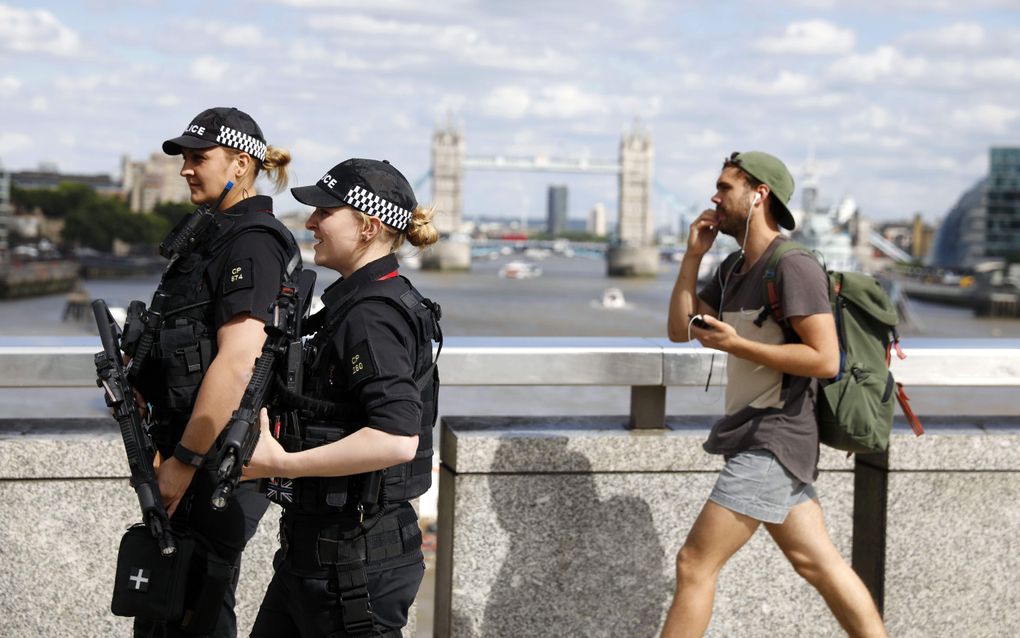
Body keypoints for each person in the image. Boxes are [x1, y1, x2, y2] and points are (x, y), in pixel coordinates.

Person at [662, 152, 888, 637]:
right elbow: (681, 328)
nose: (714, 197)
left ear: (759, 194)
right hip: (755, 434)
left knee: (693, 563)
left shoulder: (793, 266)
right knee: (818, 565)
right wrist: (691, 257)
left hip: (773, 436)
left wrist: (738, 344)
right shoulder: (733, 268)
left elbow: (825, 359)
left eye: (725, 187)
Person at [242, 158, 442, 637]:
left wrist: (281, 464)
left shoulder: (371, 315)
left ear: (368, 227)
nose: (310, 222)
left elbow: (396, 439)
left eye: (324, 212)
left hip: (354, 567)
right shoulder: (361, 302)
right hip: (317, 556)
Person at [131, 106, 300, 637]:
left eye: (198, 158)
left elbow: (240, 358)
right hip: (191, 451)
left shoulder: (251, 241)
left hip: (216, 463)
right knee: (166, 610)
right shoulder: (212, 236)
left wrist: (182, 462)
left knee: (193, 609)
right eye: (184, 158)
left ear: (241, 165)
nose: (185, 169)